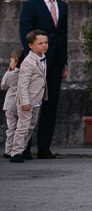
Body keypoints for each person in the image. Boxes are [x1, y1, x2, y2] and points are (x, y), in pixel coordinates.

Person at [18, 0, 67, 160]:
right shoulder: (31, 6)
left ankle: (44, 146)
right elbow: (25, 34)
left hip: (55, 64)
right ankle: (23, 147)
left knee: (50, 105)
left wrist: (64, 63)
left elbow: (63, 35)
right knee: (29, 104)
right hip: (36, 64)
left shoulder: (63, 6)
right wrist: (34, 58)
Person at [9, 31, 49, 163]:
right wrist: (25, 101)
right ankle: (15, 152)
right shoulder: (28, 62)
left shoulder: (43, 58)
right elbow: (22, 84)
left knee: (31, 126)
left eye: (46, 43)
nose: (44, 45)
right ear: (31, 46)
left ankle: (23, 149)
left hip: (37, 99)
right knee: (23, 126)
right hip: (27, 100)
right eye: (40, 43)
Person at [2, 51, 22, 159]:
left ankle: (8, 150)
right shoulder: (25, 75)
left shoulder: (10, 74)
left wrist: (8, 71)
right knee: (21, 128)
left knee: (11, 128)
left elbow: (3, 86)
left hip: (10, 104)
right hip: (21, 103)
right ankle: (18, 149)